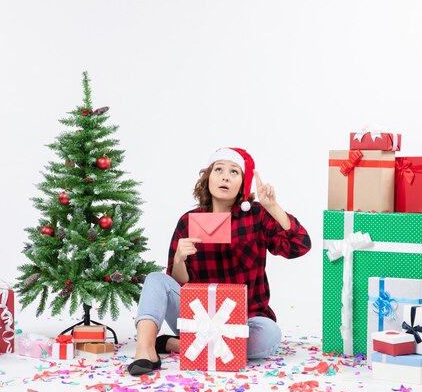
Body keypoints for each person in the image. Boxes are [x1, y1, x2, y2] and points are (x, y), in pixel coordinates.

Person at [127, 147, 312, 376]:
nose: (225, 176)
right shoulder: (188, 221)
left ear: (243, 184)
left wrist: (272, 207)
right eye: (219, 170)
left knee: (269, 334)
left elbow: (300, 245)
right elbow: (179, 284)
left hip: (244, 321)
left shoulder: (257, 216)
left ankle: (177, 345)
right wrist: (179, 259)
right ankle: (145, 350)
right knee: (156, 279)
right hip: (197, 318)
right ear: (208, 178)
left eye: (234, 172)